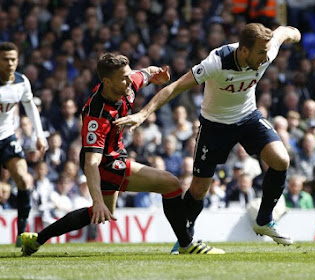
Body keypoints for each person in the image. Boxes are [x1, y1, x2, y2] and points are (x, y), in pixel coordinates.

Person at [115, 23, 301, 252]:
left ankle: (263, 220)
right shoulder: (216, 62)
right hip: (214, 125)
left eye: (266, 51)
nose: (265, 57)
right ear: (243, 51)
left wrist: (294, 34)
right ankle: (184, 240)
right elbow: (174, 88)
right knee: (199, 189)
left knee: (281, 160)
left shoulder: (267, 50)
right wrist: (143, 114)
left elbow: (283, 32)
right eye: (260, 53)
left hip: (248, 117)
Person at [21, 53, 224, 256]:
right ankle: (187, 244)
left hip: (114, 154)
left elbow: (147, 73)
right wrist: (97, 199)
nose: (130, 80)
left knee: (102, 213)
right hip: (105, 163)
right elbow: (91, 163)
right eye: (124, 77)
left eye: (129, 75)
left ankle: (37, 239)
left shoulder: (127, 83)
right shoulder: (97, 115)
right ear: (107, 82)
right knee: (170, 184)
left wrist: (157, 75)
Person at [0, 42, 47, 247]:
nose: (10, 63)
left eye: (13, 59)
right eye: (5, 59)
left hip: (7, 136)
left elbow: (30, 108)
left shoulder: (21, 82)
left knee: (23, 179)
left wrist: (40, 135)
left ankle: (21, 233)